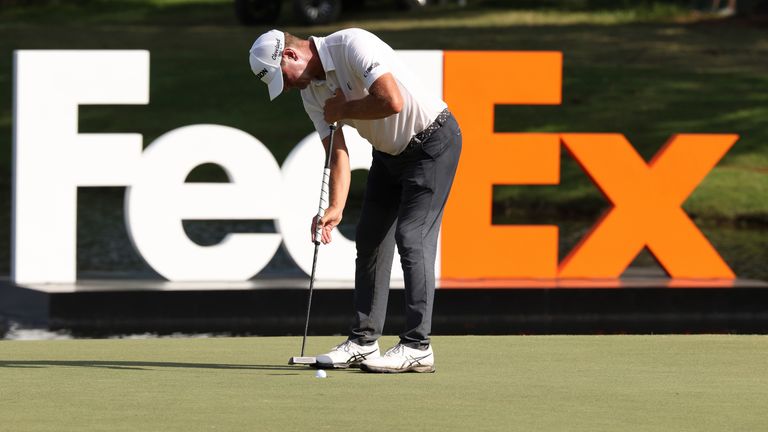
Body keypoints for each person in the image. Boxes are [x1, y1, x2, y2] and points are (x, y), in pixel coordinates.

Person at [248, 28, 461, 373]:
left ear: (289, 56)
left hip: (433, 142)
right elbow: (336, 154)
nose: (286, 88)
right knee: (370, 237)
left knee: (412, 236)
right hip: (389, 154)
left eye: (283, 79)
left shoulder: (351, 45)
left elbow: (392, 100)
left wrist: (344, 107)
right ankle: (364, 341)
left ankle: (418, 345)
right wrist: (335, 206)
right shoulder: (311, 94)